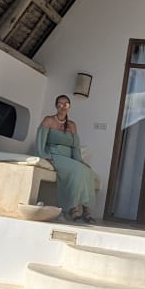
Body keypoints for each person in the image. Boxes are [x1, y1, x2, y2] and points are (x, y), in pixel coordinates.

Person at [36, 94, 96, 223]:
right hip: (54, 155)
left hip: (69, 158)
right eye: (60, 103)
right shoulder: (49, 120)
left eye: (66, 104)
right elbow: (40, 141)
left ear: (69, 107)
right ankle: (73, 208)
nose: (63, 106)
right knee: (77, 170)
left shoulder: (72, 125)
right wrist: (45, 156)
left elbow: (75, 147)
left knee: (87, 171)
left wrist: (80, 161)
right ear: (56, 106)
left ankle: (86, 208)